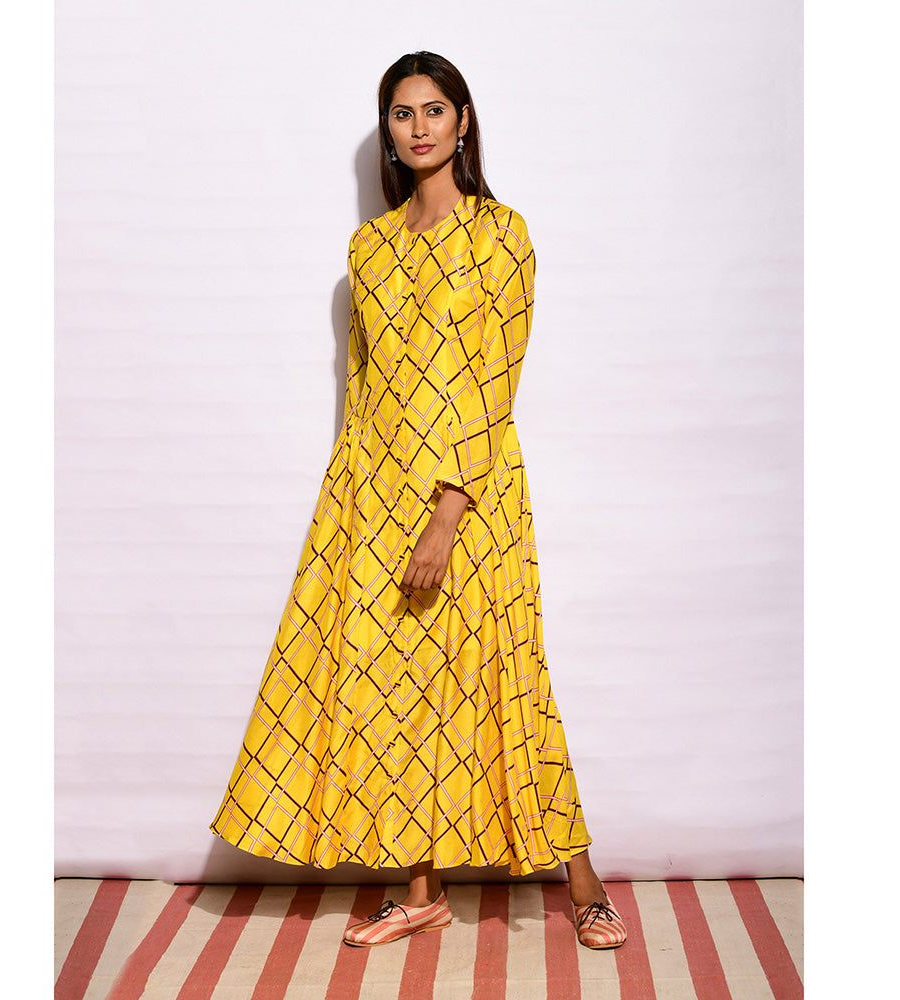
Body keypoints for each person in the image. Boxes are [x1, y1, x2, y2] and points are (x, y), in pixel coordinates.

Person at [209, 51, 627, 952]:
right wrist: (346, 509)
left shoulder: (500, 234)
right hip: (374, 491)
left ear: (463, 121)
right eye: (403, 114)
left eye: (436, 109)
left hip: (468, 496)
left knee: (504, 680)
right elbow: (362, 391)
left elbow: (494, 383)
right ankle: (421, 889)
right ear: (389, 132)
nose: (420, 127)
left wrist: (445, 515)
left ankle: (584, 881)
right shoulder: (368, 249)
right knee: (392, 686)